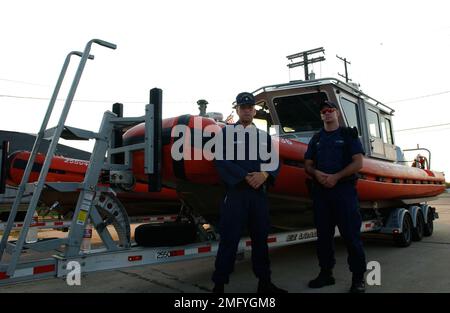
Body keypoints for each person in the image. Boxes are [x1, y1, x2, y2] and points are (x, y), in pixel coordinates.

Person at [211, 92, 287, 294]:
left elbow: (275, 162)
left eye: (250, 107)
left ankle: (265, 283)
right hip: (236, 193)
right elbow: (220, 161)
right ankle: (219, 286)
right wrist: (245, 176)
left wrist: (264, 174)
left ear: (254, 110)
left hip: (258, 195)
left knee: (261, 240)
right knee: (229, 240)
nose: (246, 110)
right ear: (237, 110)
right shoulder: (225, 134)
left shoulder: (263, 137)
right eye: (243, 107)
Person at [304, 100, 367, 293]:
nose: (327, 113)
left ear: (337, 113)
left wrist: (336, 177)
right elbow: (308, 164)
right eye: (324, 111)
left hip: (344, 192)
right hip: (322, 193)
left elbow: (358, 163)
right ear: (321, 115)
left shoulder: (348, 135)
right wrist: (317, 174)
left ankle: (358, 278)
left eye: (330, 110)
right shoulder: (316, 139)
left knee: (351, 237)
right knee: (323, 237)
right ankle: (326, 274)